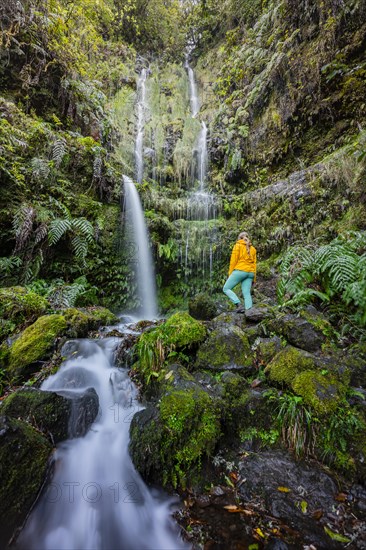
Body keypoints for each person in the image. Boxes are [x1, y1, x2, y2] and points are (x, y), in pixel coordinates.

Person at [223, 231, 256, 312]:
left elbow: (233, 261)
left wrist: (230, 274)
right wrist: (254, 278)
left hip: (240, 270)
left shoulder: (237, 246)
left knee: (226, 288)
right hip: (250, 273)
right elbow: (254, 264)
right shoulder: (253, 249)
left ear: (239, 238)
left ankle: (238, 304)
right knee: (247, 293)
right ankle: (249, 312)